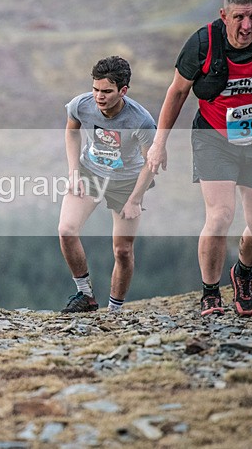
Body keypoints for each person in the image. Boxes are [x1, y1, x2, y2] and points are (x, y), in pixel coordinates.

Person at [147, 0, 252, 317]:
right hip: (214, 140)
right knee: (220, 215)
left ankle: (243, 274)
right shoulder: (203, 43)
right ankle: (210, 293)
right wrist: (159, 144)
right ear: (224, 15)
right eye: (238, 17)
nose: (246, 26)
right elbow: (176, 93)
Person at [58, 56, 157, 313]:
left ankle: (115, 311)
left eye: (107, 91)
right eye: (96, 89)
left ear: (123, 90)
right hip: (90, 173)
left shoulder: (141, 120)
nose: (99, 97)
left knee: (122, 250)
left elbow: (151, 163)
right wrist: (73, 172)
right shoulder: (81, 104)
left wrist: (135, 199)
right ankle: (85, 296)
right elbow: (71, 131)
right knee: (67, 230)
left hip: (127, 182)